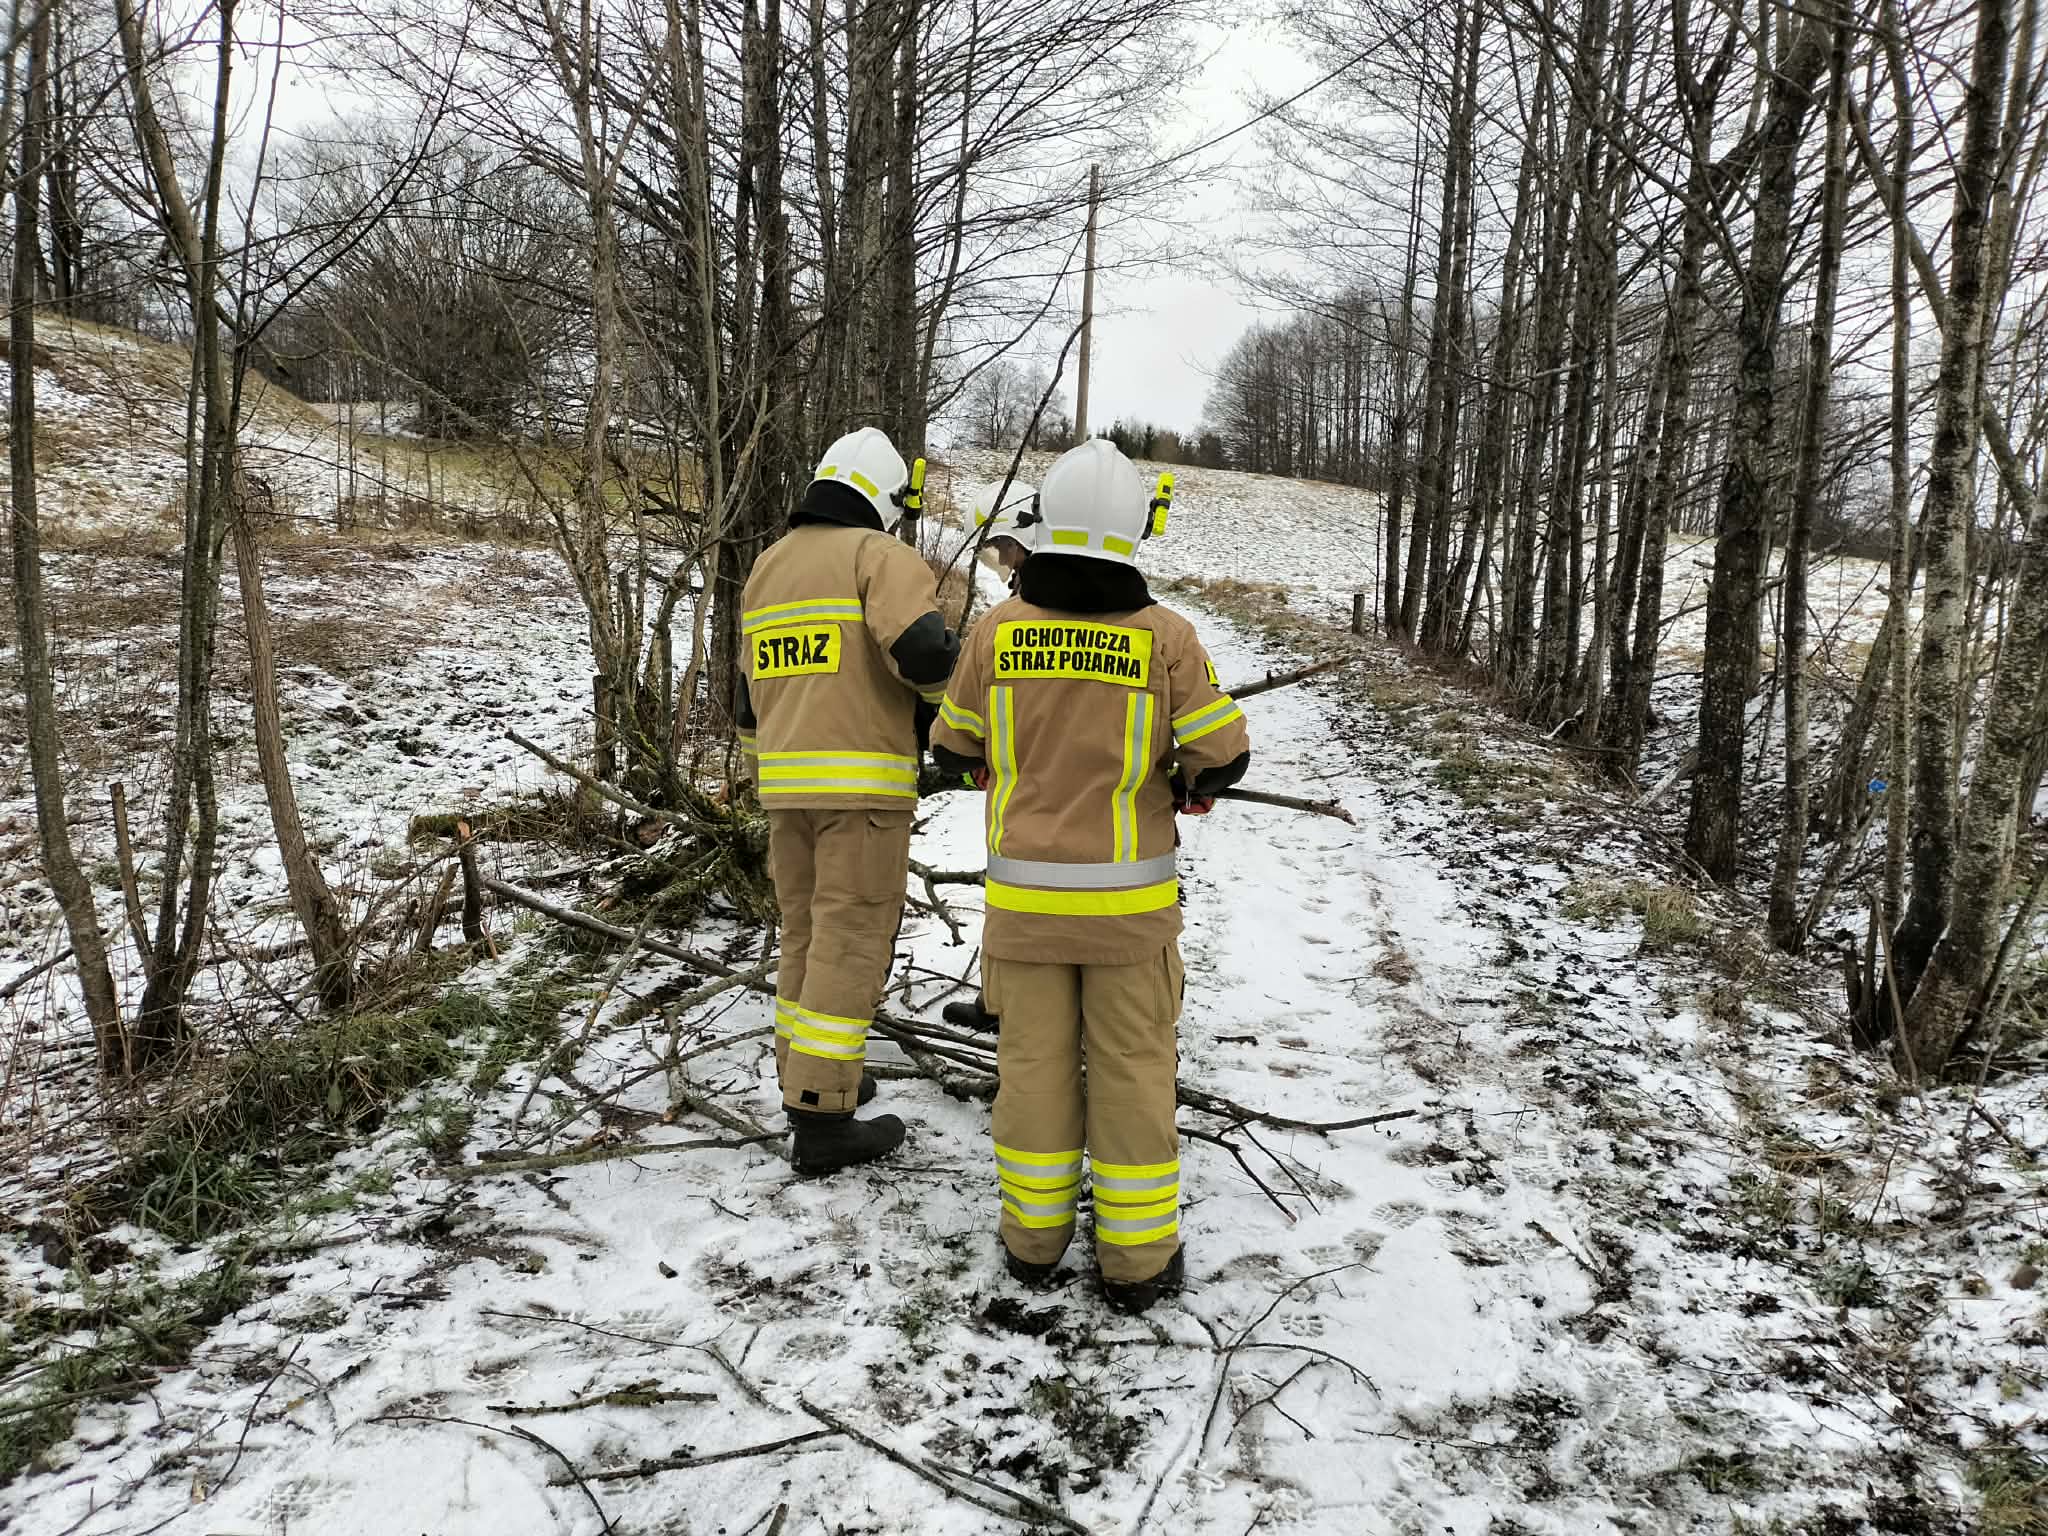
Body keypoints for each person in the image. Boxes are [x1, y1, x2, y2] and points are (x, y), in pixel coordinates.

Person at [930, 439, 1251, 1312]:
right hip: (1129, 916)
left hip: (1025, 911)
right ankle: (1137, 1264)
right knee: (1133, 1070)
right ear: (1131, 531)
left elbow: (953, 746)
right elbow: (1223, 755)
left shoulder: (998, 630)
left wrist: (994, 761)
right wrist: (1187, 781)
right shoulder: (1166, 638)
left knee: (1032, 1068)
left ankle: (1032, 1245)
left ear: (1047, 525)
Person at [735, 427, 959, 1175]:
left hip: (784, 789)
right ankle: (823, 1117)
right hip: (861, 794)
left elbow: (745, 700)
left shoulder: (768, 566)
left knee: (804, 934)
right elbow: (925, 654)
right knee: (851, 941)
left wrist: (771, 770)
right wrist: (949, 726)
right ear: (888, 500)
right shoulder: (878, 555)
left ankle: (806, 1074)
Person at [941, 476, 1041, 1035]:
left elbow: (956, 732)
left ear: (1022, 536)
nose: (998, 561)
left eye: (999, 548)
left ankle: (1010, 1005)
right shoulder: (1021, 600)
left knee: (1015, 890)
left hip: (1031, 793)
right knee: (1009, 889)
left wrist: (968, 754)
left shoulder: (1018, 614)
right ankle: (1000, 998)